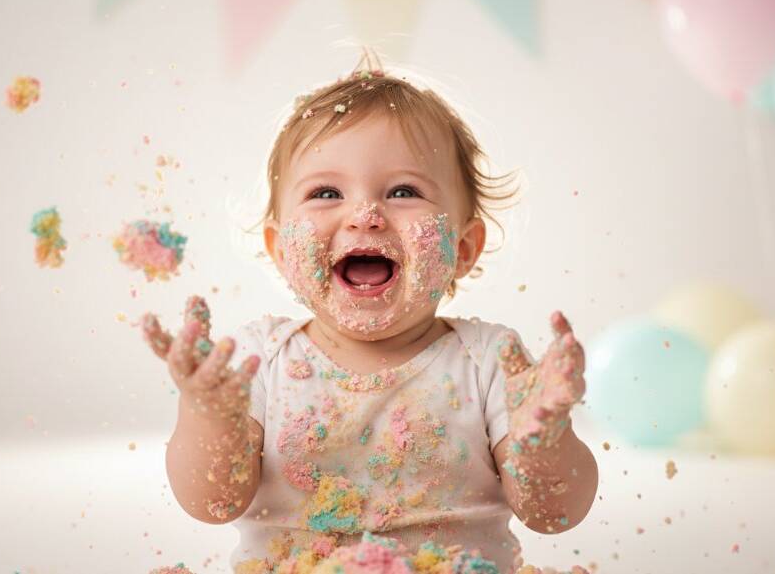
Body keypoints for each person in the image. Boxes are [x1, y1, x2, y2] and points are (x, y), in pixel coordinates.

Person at [141, 50, 597, 574]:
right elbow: (210, 502)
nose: (365, 214)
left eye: (404, 191)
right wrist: (207, 416)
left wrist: (545, 439)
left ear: (463, 248)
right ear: (279, 246)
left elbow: (554, 514)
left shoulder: (489, 361)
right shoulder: (257, 360)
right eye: (326, 192)